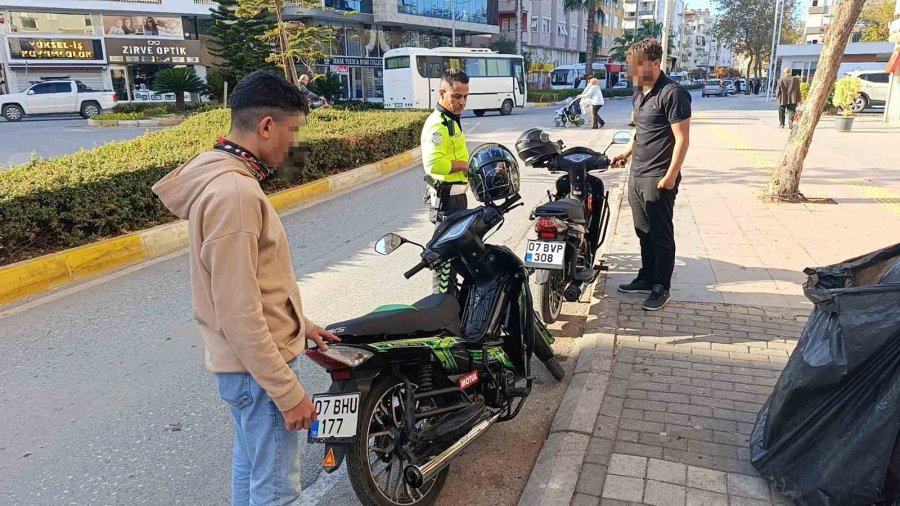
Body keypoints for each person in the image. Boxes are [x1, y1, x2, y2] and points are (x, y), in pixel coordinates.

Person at [151, 70, 340, 506]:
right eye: (292, 134)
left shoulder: (223, 178)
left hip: (247, 369)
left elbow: (253, 284)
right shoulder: (234, 194)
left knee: (253, 467)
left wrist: (302, 323)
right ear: (267, 126)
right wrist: (289, 394)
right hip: (259, 372)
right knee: (276, 489)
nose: (293, 147)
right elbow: (238, 311)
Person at [612, 39, 691, 311]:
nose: (632, 72)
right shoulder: (639, 92)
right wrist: (625, 152)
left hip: (659, 176)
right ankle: (646, 277)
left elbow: (682, 139)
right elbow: (639, 131)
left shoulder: (673, 93)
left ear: (656, 64)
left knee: (660, 234)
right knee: (642, 231)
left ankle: (661, 286)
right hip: (637, 174)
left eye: (637, 67)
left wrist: (670, 177)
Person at [421, 68, 470, 295]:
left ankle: (453, 310)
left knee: (458, 261)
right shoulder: (437, 125)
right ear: (442, 93)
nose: (462, 102)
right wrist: (466, 166)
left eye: (465, 96)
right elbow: (435, 165)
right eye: (456, 96)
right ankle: (440, 318)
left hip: (457, 200)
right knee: (444, 268)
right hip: (445, 204)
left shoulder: (452, 119)